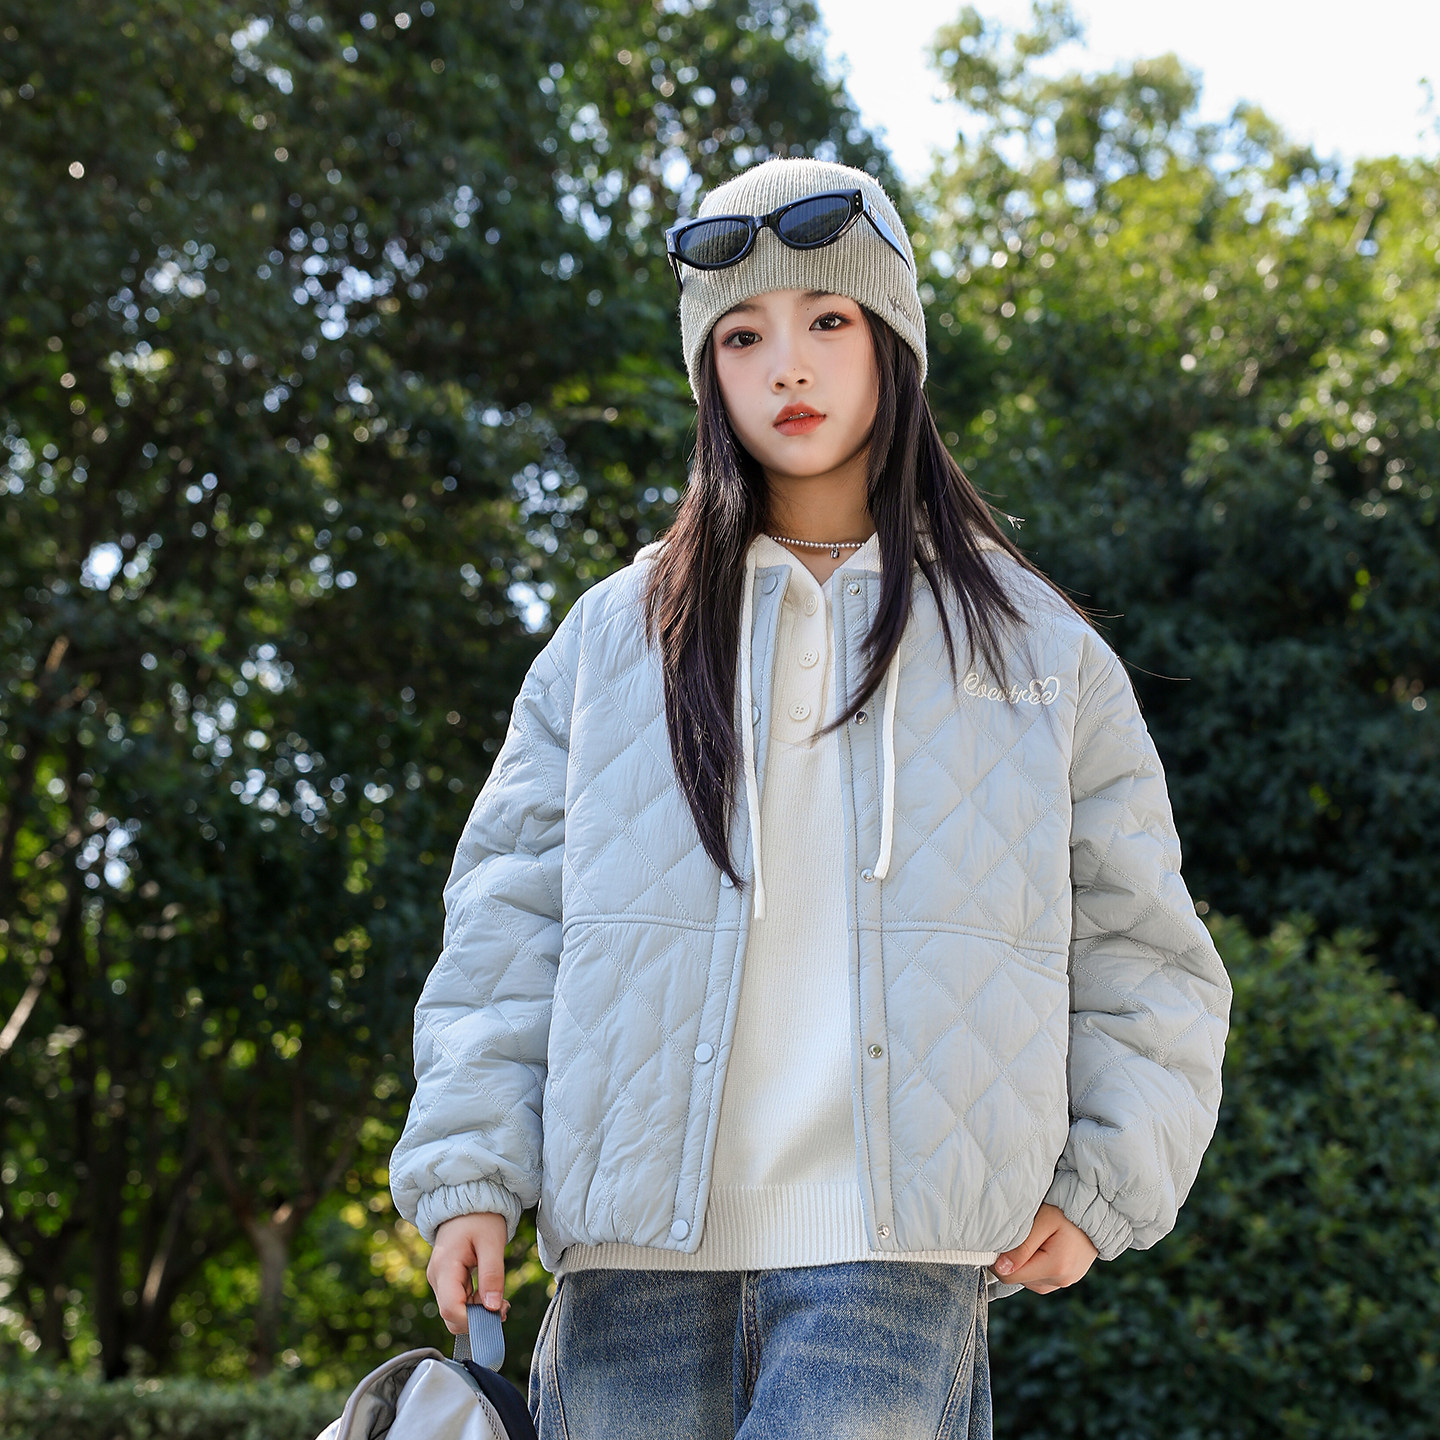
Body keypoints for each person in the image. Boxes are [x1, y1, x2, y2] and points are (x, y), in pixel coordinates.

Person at [390, 156, 1232, 1439]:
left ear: (893, 341)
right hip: (629, 1259)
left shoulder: (1037, 651)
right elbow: (507, 923)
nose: (787, 366)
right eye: (743, 336)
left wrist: (1109, 1175)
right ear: (707, 372)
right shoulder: (611, 639)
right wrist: (469, 1173)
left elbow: (1144, 946)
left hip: (896, 1258)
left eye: (828, 320)